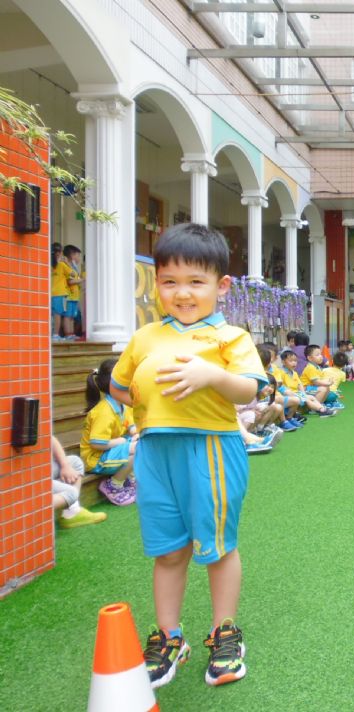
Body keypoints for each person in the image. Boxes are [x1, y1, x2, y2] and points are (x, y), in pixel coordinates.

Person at [110, 223, 269, 689]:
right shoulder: (145, 337)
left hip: (210, 448)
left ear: (221, 285)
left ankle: (225, 632)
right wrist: (140, 402)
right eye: (169, 281)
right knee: (168, 551)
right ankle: (169, 636)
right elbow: (119, 385)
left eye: (196, 281)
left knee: (218, 547)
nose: (182, 293)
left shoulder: (230, 337)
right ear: (156, 283)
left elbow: (249, 389)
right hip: (155, 451)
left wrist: (210, 375)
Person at [81, 358, 138, 506]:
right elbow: (97, 444)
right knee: (138, 450)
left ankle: (130, 480)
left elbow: (131, 427)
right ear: (114, 384)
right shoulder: (104, 412)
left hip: (109, 451)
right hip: (95, 459)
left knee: (141, 443)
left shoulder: (123, 404)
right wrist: (122, 441)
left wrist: (138, 434)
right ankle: (113, 486)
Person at [52, 435, 107, 528]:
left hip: (40, 469)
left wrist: (65, 466)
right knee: (71, 493)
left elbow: (52, 440)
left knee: (75, 462)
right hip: (28, 478)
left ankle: (72, 512)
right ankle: (29, 511)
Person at [51, 243, 73, 341]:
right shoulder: (61, 264)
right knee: (58, 314)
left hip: (50, 293)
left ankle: (54, 334)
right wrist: (67, 263)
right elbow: (73, 274)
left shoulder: (48, 264)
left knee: (53, 314)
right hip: (60, 293)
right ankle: (56, 334)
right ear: (60, 253)